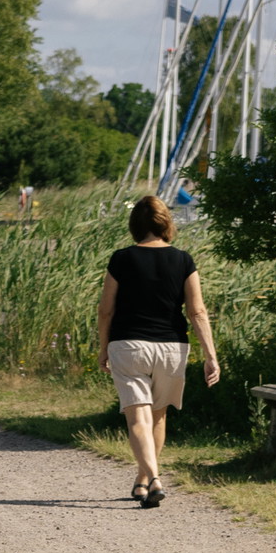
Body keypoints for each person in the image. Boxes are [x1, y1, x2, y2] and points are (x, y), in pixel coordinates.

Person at [96, 192, 220, 508]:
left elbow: (105, 310)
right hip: (171, 348)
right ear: (166, 223)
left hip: (129, 346)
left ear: (135, 225)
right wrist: (211, 356)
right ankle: (146, 480)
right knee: (158, 416)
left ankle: (151, 478)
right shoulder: (183, 260)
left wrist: (103, 348)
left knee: (137, 418)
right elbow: (197, 311)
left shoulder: (121, 259)